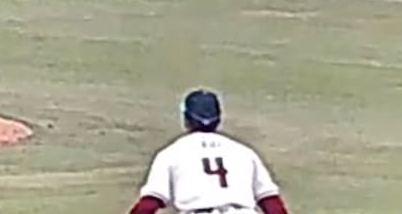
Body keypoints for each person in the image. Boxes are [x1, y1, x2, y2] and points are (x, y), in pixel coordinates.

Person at [126, 90, 293, 214]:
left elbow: (150, 203)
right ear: (219, 118)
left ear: (186, 119)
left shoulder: (171, 153)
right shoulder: (243, 152)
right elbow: (270, 202)